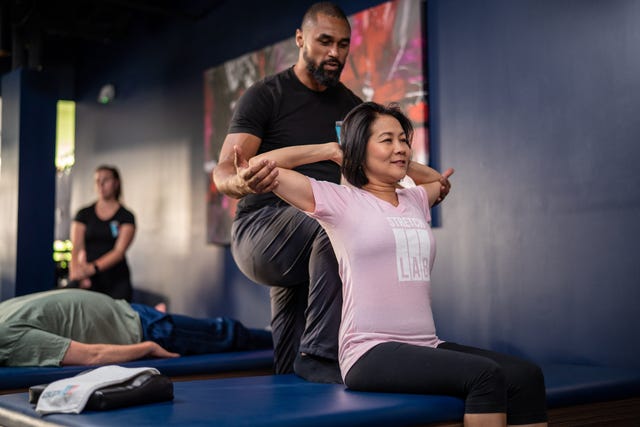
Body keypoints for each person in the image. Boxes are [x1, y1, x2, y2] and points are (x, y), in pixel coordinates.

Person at [236, 102, 548, 426]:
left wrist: (395, 158)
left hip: (426, 345)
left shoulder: (414, 199)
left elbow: (438, 181)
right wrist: (331, 149)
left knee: (526, 377)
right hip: (369, 352)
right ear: (358, 148)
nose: (400, 148)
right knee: (484, 376)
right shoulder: (340, 201)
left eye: (404, 140)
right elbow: (259, 164)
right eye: (387, 140)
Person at [213, 1, 451, 384]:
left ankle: (305, 377)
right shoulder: (265, 95)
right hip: (262, 232)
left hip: (312, 235)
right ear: (300, 39)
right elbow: (226, 171)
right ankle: (323, 353)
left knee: (291, 366)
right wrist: (240, 183)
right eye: (325, 42)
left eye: (343, 45)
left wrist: (436, 180)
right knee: (337, 226)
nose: (334, 53)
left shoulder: (352, 107)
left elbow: (387, 159)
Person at [0, 289, 273, 367]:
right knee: (227, 333)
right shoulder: (7, 339)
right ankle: (279, 340)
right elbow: (91, 356)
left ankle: (276, 337)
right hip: (145, 331)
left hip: (131, 315)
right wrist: (147, 348)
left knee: (225, 331)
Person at [69, 165, 136, 302]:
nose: (101, 184)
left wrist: (93, 268)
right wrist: (77, 273)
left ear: (116, 183)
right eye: (97, 180)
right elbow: (77, 247)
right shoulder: (84, 214)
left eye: (106, 180)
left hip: (116, 281)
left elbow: (119, 251)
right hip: (88, 280)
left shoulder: (126, 216)